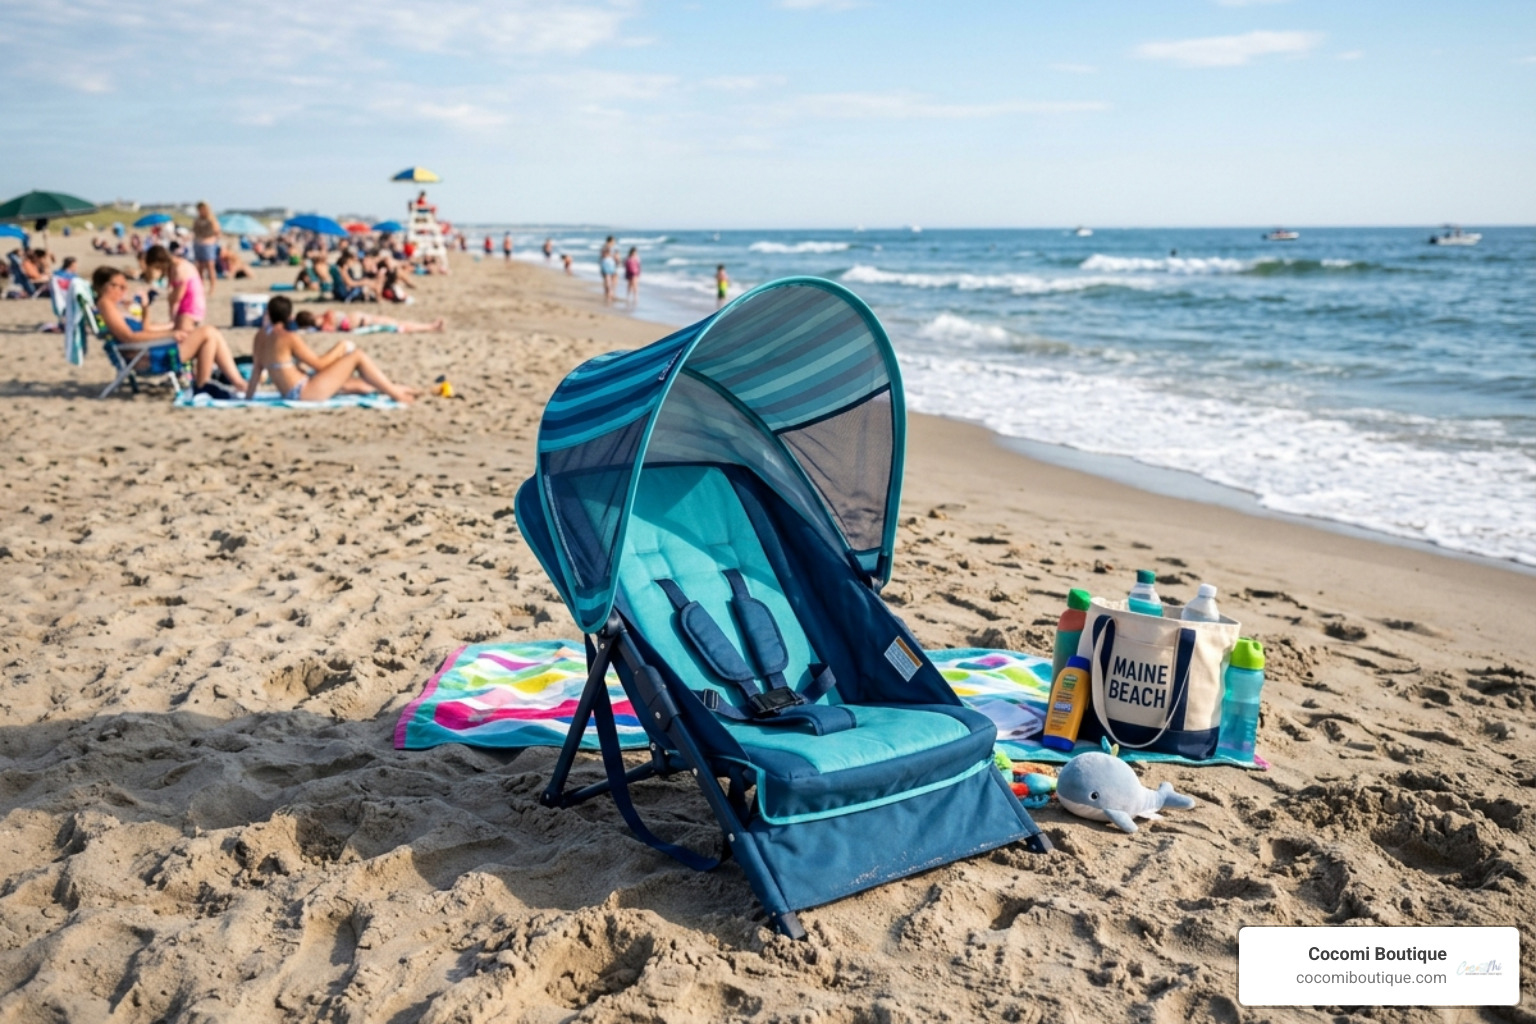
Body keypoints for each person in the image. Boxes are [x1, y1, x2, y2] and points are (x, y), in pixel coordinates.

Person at [90, 266, 246, 391]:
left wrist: (145, 309)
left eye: (125, 286)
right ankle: (207, 385)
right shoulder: (106, 304)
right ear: (106, 286)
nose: (123, 291)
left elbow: (144, 329)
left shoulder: (114, 307)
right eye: (120, 286)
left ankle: (213, 384)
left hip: (148, 350)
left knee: (210, 335)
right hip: (147, 357)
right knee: (208, 333)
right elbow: (128, 337)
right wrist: (170, 335)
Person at [247, 295, 417, 404]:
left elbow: (256, 371)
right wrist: (340, 348)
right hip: (304, 392)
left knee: (357, 385)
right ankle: (398, 395)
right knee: (358, 356)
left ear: (268, 313)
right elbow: (319, 365)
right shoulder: (289, 338)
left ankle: (412, 390)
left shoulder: (259, 337)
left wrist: (249, 399)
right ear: (289, 317)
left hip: (291, 392)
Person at [143, 244, 205, 329]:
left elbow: (177, 297)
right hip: (190, 307)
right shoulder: (176, 266)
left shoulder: (180, 269)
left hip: (190, 309)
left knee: (154, 329)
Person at [294, 309, 445, 334]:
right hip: (365, 321)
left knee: (399, 323)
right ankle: (431, 327)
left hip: (364, 319)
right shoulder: (325, 321)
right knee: (400, 325)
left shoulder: (324, 323)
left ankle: (431, 326)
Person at [191, 201, 222, 299]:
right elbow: (195, 231)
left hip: (208, 244)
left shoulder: (211, 220)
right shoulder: (197, 220)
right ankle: (200, 288)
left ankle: (212, 288)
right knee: (199, 267)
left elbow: (217, 233)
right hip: (198, 243)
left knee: (210, 267)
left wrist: (211, 240)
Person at [599, 236, 618, 304]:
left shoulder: (612, 248)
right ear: (610, 241)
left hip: (611, 264)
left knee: (611, 280)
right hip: (607, 264)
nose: (614, 242)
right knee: (608, 280)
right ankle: (609, 293)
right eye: (613, 241)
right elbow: (603, 255)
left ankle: (610, 293)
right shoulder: (606, 247)